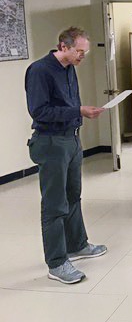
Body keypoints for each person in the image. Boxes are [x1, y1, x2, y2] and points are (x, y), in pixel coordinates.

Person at [25, 27, 107, 284]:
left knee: (73, 195)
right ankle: (57, 263)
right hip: (51, 143)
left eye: (84, 52)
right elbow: (39, 112)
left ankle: (77, 245)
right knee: (54, 205)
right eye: (79, 52)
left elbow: (70, 105)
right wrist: (79, 111)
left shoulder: (70, 68)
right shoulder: (40, 71)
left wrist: (79, 113)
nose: (82, 57)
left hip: (71, 139)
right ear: (63, 46)